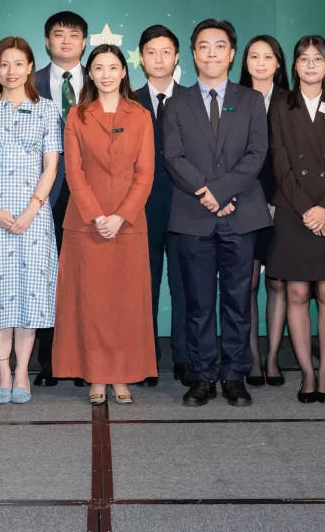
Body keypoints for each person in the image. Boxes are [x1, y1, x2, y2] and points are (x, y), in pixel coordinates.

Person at [164, 19, 271, 407]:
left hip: (241, 214)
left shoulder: (251, 99)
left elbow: (256, 154)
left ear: (231, 53)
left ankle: (234, 375)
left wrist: (221, 192)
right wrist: (207, 194)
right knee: (198, 303)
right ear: (193, 54)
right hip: (194, 215)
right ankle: (203, 375)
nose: (211, 53)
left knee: (238, 301)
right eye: (204, 46)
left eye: (219, 46)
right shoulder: (177, 102)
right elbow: (173, 157)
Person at [0, 37, 62, 404]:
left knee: (29, 295)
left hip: (34, 213)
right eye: (4, 64)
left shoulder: (48, 109)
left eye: (18, 63)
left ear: (31, 67)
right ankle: (3, 371)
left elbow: (51, 165)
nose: (11, 71)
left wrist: (34, 207)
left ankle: (22, 373)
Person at [53, 45, 157, 404]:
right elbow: (73, 173)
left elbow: (145, 174)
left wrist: (120, 216)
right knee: (92, 303)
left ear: (124, 72)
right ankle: (97, 376)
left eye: (113, 67)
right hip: (86, 224)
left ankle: (123, 376)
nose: (107, 74)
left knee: (125, 304)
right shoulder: (77, 115)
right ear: (90, 74)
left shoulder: (141, 115)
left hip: (128, 224)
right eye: (99, 68)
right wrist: (97, 216)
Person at [267, 36, 325, 404]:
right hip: (294, 211)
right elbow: (280, 162)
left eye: (318, 59)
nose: (310, 65)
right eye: (304, 59)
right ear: (294, 65)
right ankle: (306, 373)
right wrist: (308, 208)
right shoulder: (279, 106)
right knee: (296, 291)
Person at [32, 12, 88, 386]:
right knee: (46, 277)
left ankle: (86, 358)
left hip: (90, 191)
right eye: (58, 34)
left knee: (87, 277)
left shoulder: (103, 80)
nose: (66, 41)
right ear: (47, 42)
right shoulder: (28, 82)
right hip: (40, 192)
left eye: (73, 35)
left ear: (84, 42)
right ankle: (49, 359)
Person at [135, 25, 189, 386]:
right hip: (141, 207)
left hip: (187, 204)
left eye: (165, 52)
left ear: (177, 57)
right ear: (140, 58)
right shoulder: (125, 99)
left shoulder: (192, 98)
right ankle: (146, 358)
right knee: (144, 284)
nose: (158, 59)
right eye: (151, 52)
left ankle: (185, 357)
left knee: (186, 286)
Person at [238, 34, 289, 388]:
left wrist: (280, 199)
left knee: (278, 282)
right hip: (244, 201)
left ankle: (272, 357)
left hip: (285, 203)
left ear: (278, 63)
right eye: (253, 56)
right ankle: (252, 356)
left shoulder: (292, 101)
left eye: (267, 56)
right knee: (248, 283)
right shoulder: (234, 99)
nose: (260, 63)